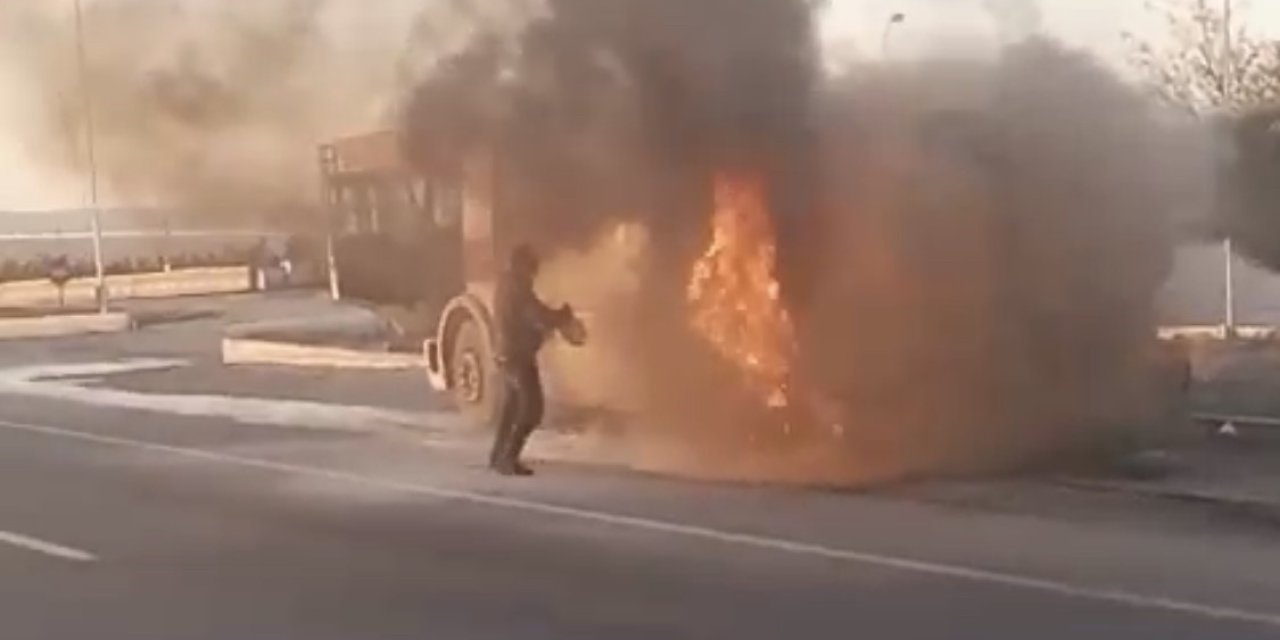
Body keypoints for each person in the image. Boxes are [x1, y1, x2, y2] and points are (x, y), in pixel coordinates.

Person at [488, 244, 580, 476]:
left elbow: (532, 312)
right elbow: (535, 314)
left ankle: (497, 454)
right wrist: (561, 317)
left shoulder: (508, 283)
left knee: (511, 407)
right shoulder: (518, 287)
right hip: (518, 355)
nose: (534, 271)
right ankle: (508, 458)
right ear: (523, 265)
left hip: (507, 352)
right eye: (532, 266)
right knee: (532, 409)